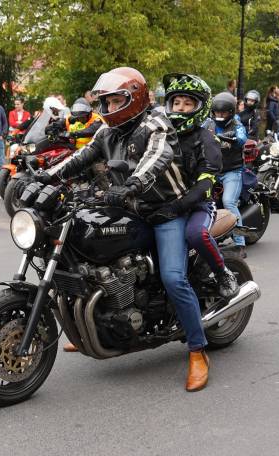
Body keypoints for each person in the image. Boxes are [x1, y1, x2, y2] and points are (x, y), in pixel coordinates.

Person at [47, 67, 229, 392]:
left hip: (166, 211)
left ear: (134, 99)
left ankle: (197, 349)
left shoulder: (155, 123)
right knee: (87, 254)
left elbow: (157, 156)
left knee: (173, 278)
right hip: (129, 209)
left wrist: (132, 184)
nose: (110, 107)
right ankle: (93, 326)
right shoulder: (108, 132)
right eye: (107, 102)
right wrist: (45, 176)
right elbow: (81, 157)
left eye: (117, 101)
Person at [208, 91, 248, 254]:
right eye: (217, 112)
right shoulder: (208, 123)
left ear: (231, 112)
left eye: (223, 113)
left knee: (229, 202)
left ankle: (240, 243)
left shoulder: (237, 125)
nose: (220, 115)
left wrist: (228, 137)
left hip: (232, 171)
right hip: (211, 170)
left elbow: (242, 138)